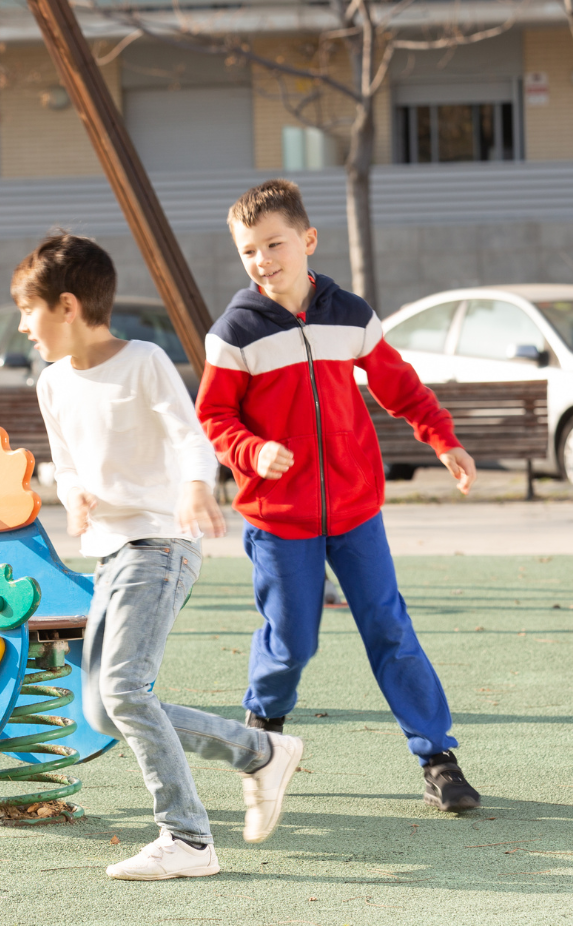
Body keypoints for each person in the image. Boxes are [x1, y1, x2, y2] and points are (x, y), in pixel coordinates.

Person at [13, 233, 303, 882]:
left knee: (121, 689)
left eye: (27, 311)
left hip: (161, 544)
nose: (23, 327)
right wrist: (74, 492)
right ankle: (259, 752)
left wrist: (198, 485)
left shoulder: (143, 361)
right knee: (101, 710)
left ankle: (188, 839)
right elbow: (64, 464)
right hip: (110, 554)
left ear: (66, 306)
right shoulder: (52, 383)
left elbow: (189, 437)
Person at [196, 179, 480, 812]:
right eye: (249, 251)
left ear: (308, 240)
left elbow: (398, 383)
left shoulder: (348, 312)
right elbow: (214, 418)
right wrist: (252, 451)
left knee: (391, 629)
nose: (264, 260)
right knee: (293, 639)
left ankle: (437, 757)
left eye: (275, 244)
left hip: (355, 511)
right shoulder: (235, 332)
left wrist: (442, 437)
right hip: (279, 520)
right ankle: (264, 720)